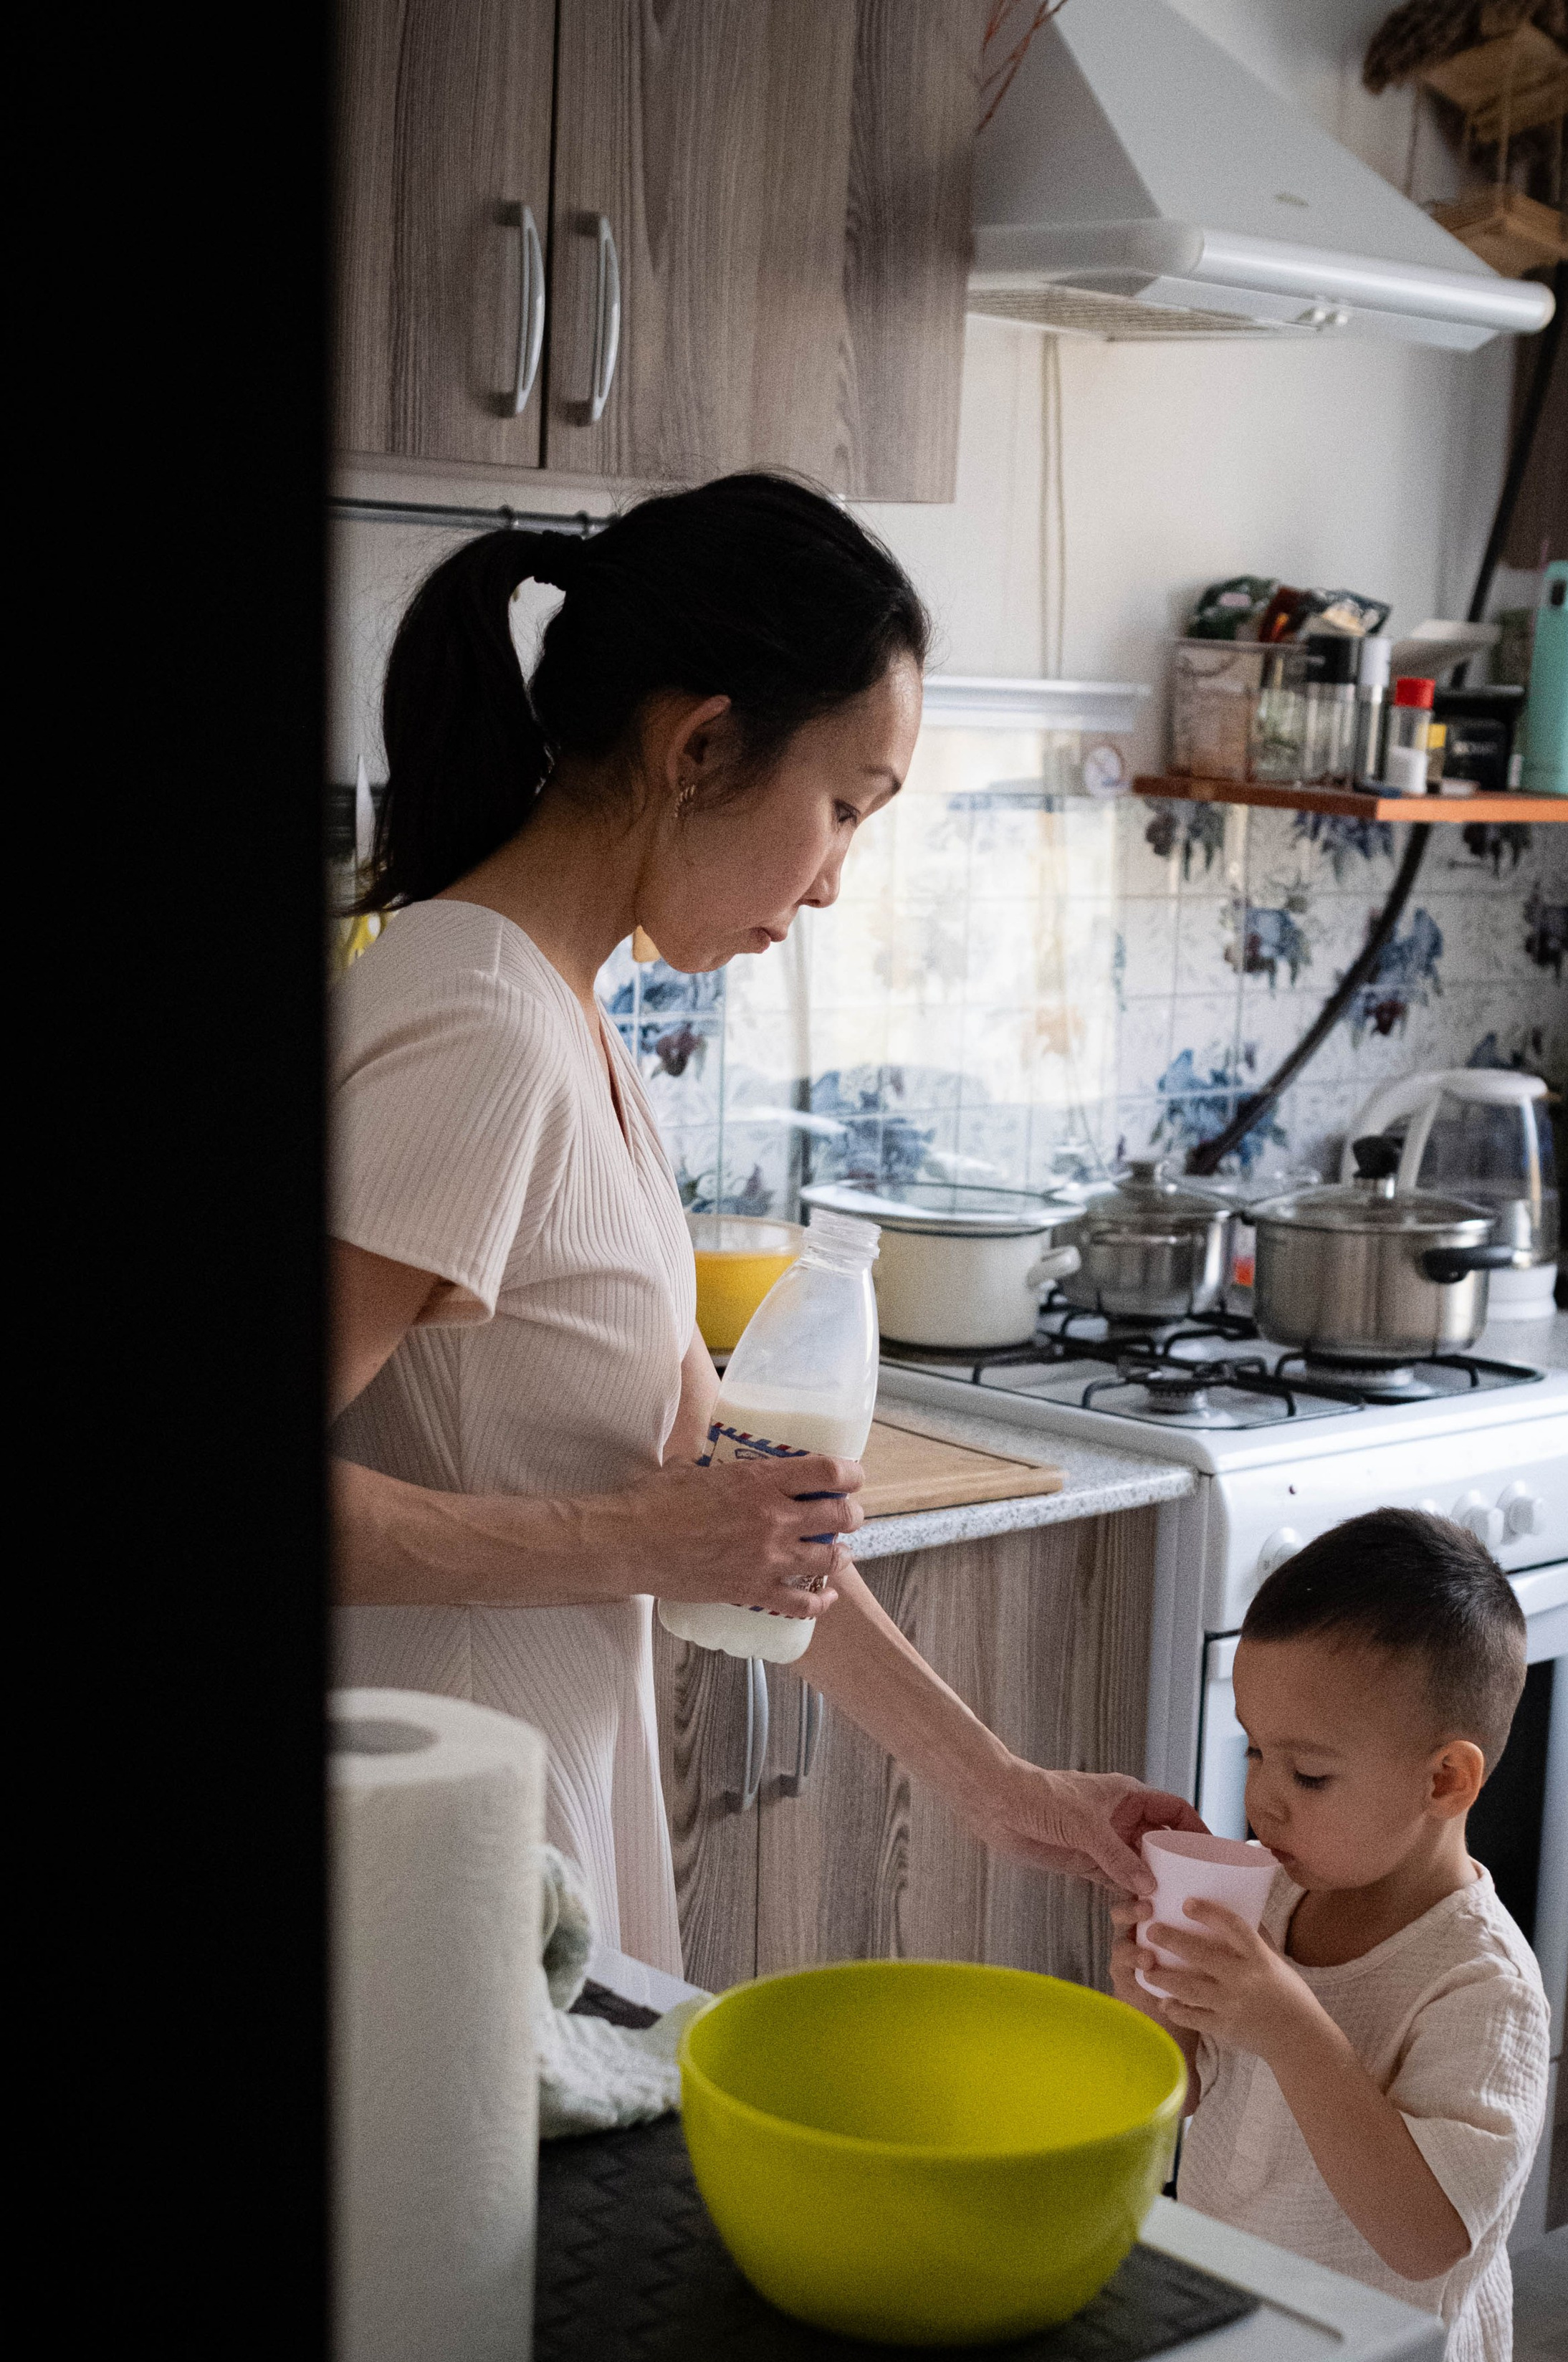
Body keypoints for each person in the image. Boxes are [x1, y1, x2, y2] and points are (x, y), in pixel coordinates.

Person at [332, 471, 1162, 1975]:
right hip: (431, 1864)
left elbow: (734, 1513)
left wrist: (999, 1788)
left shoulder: (561, 1019)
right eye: (841, 805)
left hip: (511, 1827)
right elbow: (665, 1524)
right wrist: (625, 1539)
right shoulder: (477, 1024)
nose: (837, 879)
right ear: (700, 744)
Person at [1111, 1508, 1549, 2362]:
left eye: (1308, 1773)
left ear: (1446, 1780)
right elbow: (1187, 2098)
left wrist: (1292, 2022)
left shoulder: (1480, 1988)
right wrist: (1155, 2004)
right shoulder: (1283, 1896)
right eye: (1254, 1751)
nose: (1261, 1797)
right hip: (1240, 2353)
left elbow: (1423, 2235)